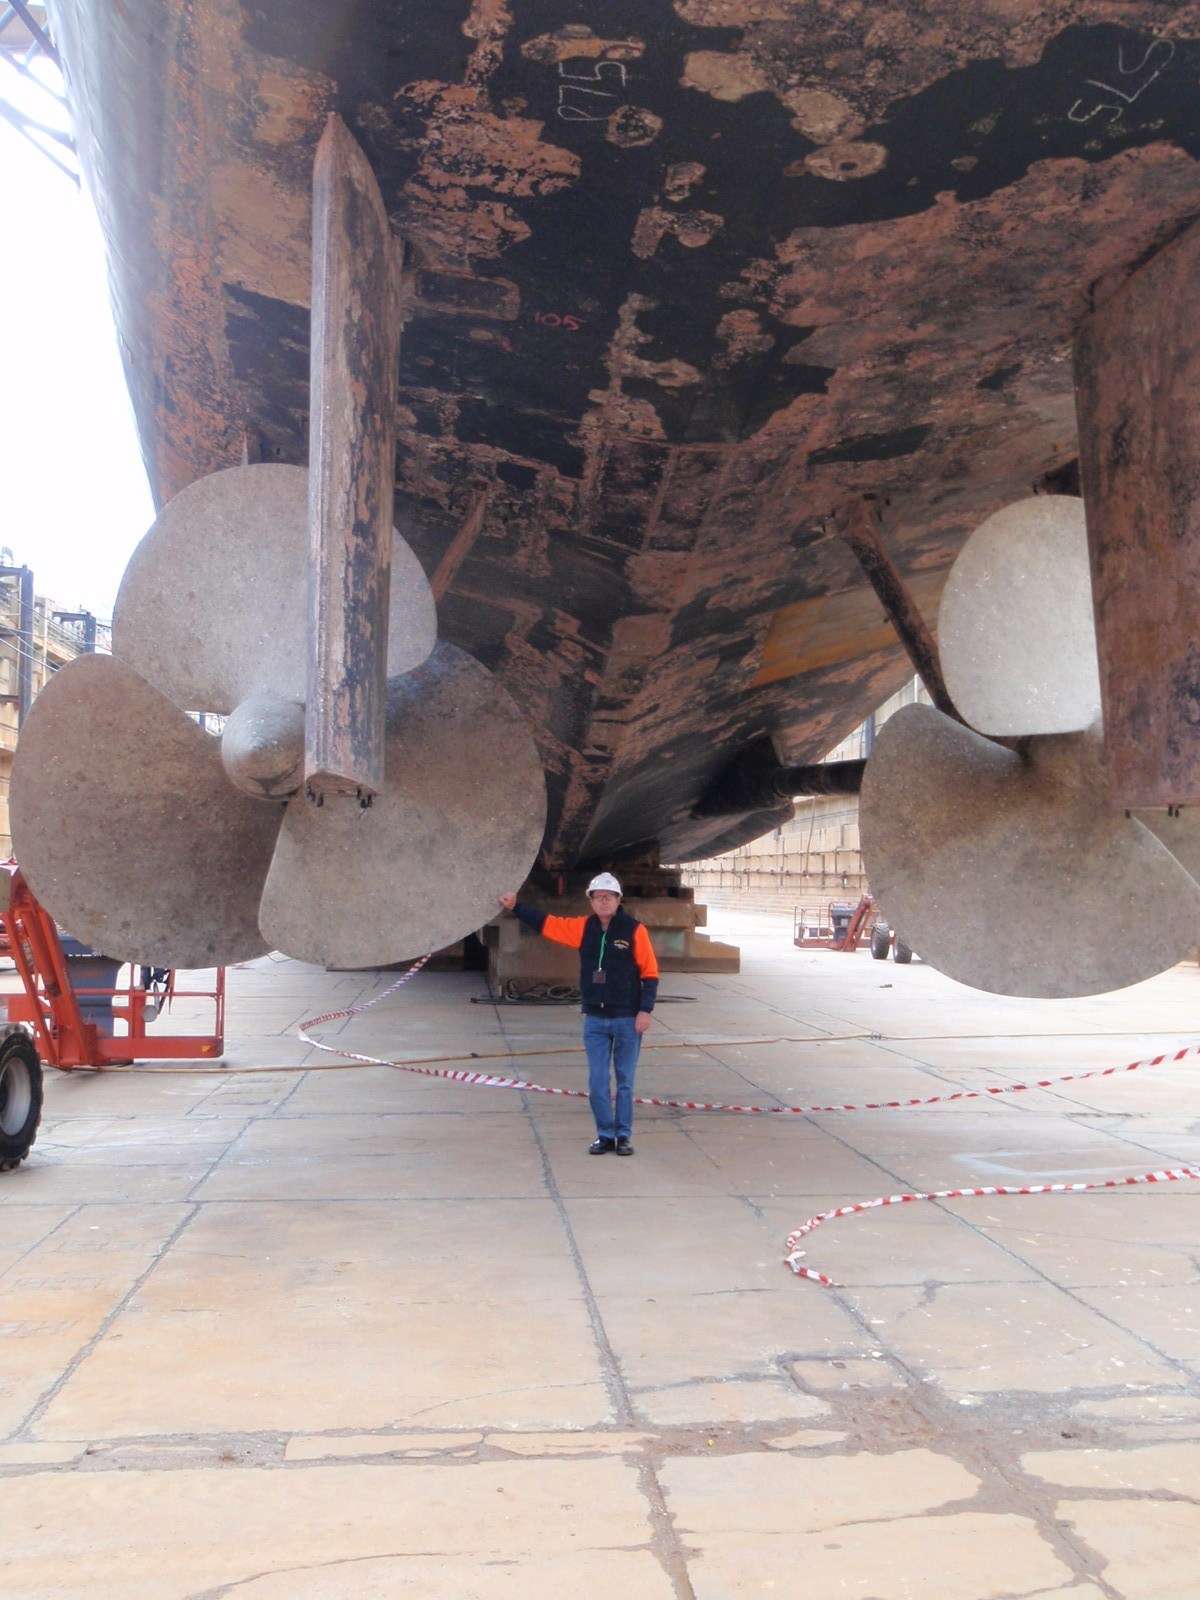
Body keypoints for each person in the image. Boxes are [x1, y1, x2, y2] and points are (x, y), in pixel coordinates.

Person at [498, 873, 659, 1155]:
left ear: (618, 900)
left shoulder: (635, 930)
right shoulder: (583, 928)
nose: (604, 900)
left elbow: (650, 974)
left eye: (609, 896)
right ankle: (605, 1135)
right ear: (591, 901)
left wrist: (645, 1011)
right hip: (595, 1020)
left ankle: (623, 1137)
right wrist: (516, 907)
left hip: (626, 1019)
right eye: (598, 896)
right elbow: (548, 925)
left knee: (624, 1082)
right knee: (597, 1083)